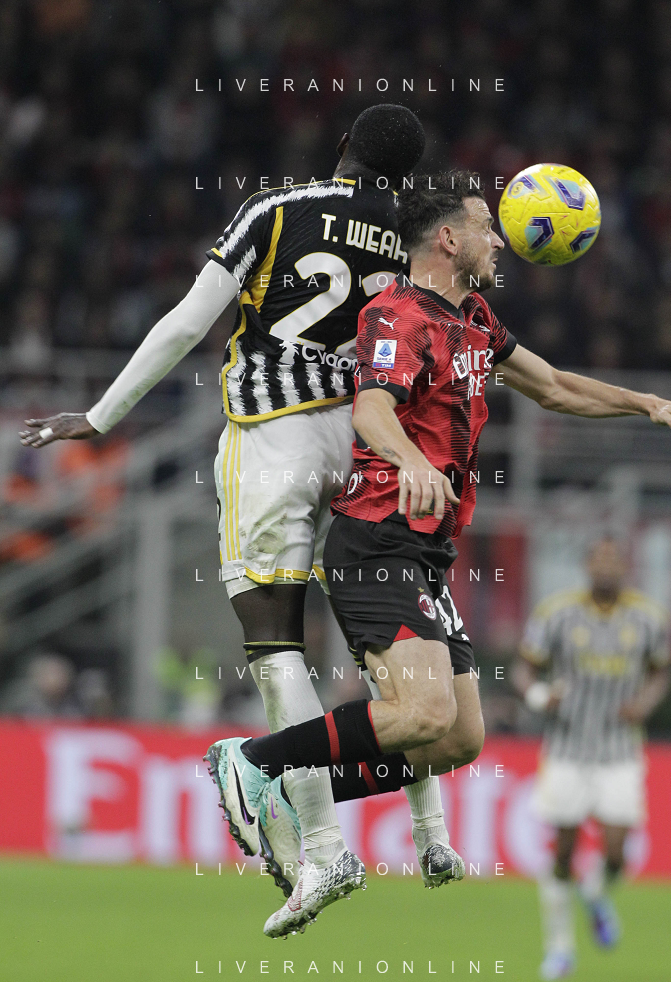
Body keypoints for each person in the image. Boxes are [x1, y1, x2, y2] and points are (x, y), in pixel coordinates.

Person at [211, 171, 671, 939]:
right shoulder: (397, 314)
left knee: (455, 740)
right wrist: (410, 459)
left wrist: (645, 403)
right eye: (486, 225)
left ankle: (287, 787)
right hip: (377, 536)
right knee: (423, 710)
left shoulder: (473, 316)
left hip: (426, 551)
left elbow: (552, 385)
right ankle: (253, 761)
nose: (500, 239)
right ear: (448, 238)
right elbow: (371, 405)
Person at [19, 104, 442, 899]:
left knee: (276, 646)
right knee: (385, 647)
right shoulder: (415, 237)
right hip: (366, 445)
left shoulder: (275, 209)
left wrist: (101, 416)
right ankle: (430, 828)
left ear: (342, 145)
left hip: (276, 437)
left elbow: (188, 323)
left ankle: (324, 848)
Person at [515, 538, 671, 980]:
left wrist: (645, 703)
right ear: (587, 566)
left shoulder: (649, 618)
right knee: (564, 850)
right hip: (567, 747)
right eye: (599, 560)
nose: (606, 567)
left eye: (614, 560)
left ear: (625, 566)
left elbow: (662, 671)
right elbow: (524, 666)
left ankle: (595, 890)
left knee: (618, 852)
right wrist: (538, 695)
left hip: (619, 748)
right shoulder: (557, 613)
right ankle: (560, 948)